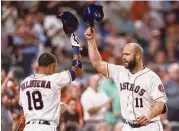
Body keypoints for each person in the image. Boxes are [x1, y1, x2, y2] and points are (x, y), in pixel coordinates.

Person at [85, 27, 167, 131]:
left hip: (149, 126)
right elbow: (97, 64)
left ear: (137, 56)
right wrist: (91, 41)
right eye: (123, 54)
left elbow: (161, 104)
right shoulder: (119, 72)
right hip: (128, 126)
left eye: (127, 54)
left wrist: (149, 115)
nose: (123, 57)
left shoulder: (152, 77)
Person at [19, 33, 83, 131]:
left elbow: (25, 103)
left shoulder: (25, 82)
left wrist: (54, 103)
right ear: (50, 66)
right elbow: (77, 71)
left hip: (29, 127)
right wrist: (76, 48)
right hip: (46, 127)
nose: (55, 69)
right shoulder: (53, 79)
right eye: (54, 66)